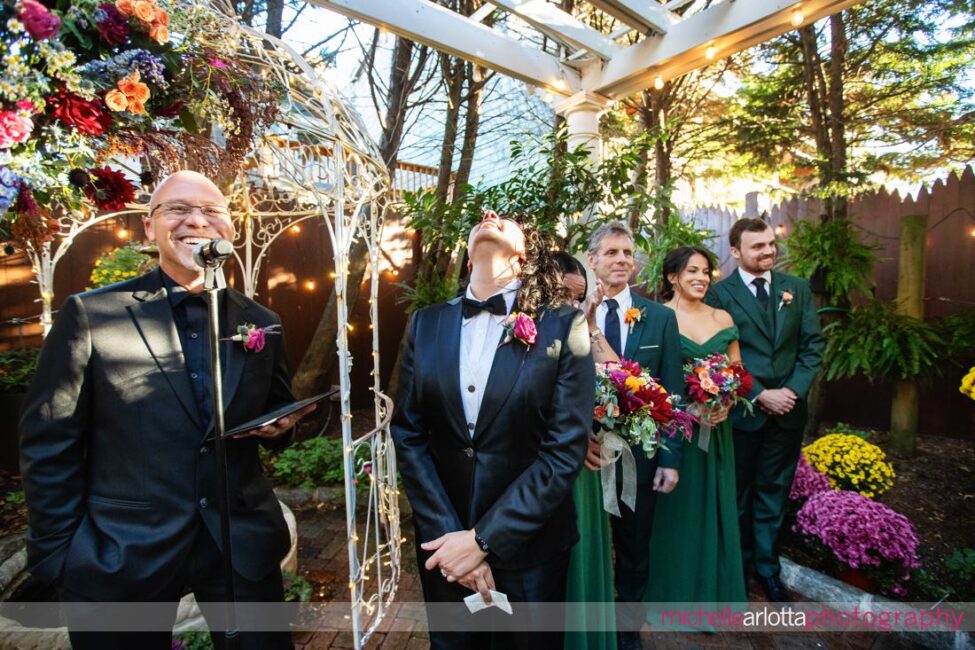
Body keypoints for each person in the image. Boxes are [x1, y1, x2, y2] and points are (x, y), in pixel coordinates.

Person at [19, 170, 313, 650]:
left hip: (239, 542)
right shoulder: (92, 314)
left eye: (212, 211)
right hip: (122, 548)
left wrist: (281, 427)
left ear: (231, 230)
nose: (196, 220)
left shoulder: (261, 322)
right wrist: (57, 555)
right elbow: (49, 441)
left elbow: (279, 411)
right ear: (149, 228)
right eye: (177, 209)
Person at [391, 212, 595, 650]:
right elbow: (408, 432)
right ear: (468, 259)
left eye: (503, 219)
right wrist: (453, 541)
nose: (489, 218)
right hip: (444, 547)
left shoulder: (563, 326)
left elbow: (564, 452)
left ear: (522, 256)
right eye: (482, 218)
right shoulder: (425, 324)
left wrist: (484, 540)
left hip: (531, 548)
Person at [705, 218, 824, 603]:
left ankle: (768, 571)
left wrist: (791, 390)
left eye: (771, 244)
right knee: (738, 495)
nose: (768, 252)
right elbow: (716, 357)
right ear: (736, 251)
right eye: (758, 247)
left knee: (774, 491)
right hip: (743, 412)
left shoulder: (797, 289)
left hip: (789, 411)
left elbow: (812, 348)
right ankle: (737, 573)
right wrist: (758, 394)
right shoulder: (719, 295)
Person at [585, 222, 683, 650]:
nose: (622, 259)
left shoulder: (660, 318)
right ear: (592, 261)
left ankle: (628, 630)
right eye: (611, 253)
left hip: (640, 456)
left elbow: (674, 391)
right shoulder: (570, 315)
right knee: (583, 543)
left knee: (634, 548)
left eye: (627, 253)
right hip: (582, 455)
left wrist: (671, 459)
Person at [644, 246, 747, 620]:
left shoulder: (722, 317)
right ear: (673, 277)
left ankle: (712, 593)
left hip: (715, 433)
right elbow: (647, 377)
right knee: (674, 511)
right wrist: (685, 408)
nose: (701, 278)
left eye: (706, 271)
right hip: (675, 429)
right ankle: (669, 594)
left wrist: (725, 402)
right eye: (692, 271)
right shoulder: (657, 317)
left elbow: (737, 373)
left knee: (714, 507)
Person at [553, 251, 616, 650]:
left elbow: (620, 379)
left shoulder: (580, 331)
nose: (571, 305)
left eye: (579, 298)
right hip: (549, 469)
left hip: (586, 470)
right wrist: (575, 442)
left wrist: (590, 324)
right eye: (563, 295)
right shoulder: (524, 333)